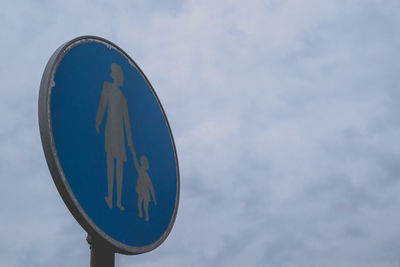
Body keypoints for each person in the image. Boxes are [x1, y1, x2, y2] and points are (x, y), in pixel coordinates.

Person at [96, 63, 133, 211]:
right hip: (110, 131)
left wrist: (130, 142)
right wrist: (98, 121)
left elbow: (127, 123)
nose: (114, 76)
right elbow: (102, 106)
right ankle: (110, 198)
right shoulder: (107, 87)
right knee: (111, 163)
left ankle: (118, 201)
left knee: (119, 166)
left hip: (119, 135)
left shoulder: (123, 98)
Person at [132, 147, 156, 221]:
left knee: (145, 205)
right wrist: (134, 155)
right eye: (141, 162)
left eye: (143, 162)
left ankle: (146, 215)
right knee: (140, 203)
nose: (142, 163)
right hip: (141, 191)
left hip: (145, 192)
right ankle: (141, 213)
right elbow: (136, 164)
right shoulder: (141, 171)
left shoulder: (146, 175)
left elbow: (151, 187)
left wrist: (154, 199)